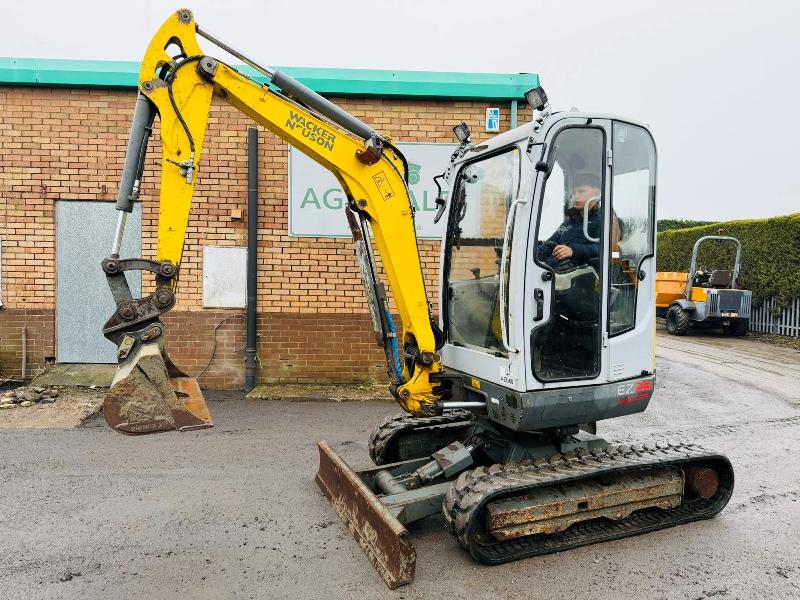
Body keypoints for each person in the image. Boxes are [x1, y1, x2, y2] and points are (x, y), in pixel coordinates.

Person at [538, 173, 603, 269]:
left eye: (581, 191)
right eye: (573, 193)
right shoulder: (570, 221)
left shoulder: (603, 219)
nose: (575, 197)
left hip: (578, 275)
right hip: (551, 269)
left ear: (597, 193)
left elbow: (602, 249)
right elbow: (549, 244)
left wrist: (573, 251)